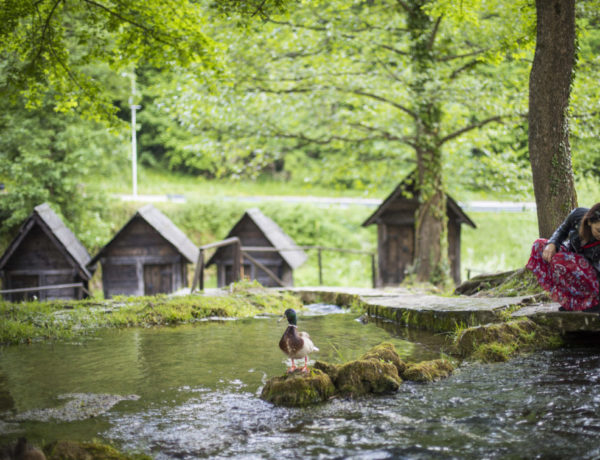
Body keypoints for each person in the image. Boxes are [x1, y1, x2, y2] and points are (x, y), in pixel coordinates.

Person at [526, 203, 600, 312]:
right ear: (589, 222)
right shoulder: (578, 214)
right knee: (539, 245)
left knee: (559, 260)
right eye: (599, 230)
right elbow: (562, 231)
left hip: (592, 274)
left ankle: (590, 303)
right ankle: (570, 302)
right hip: (571, 256)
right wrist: (552, 244)